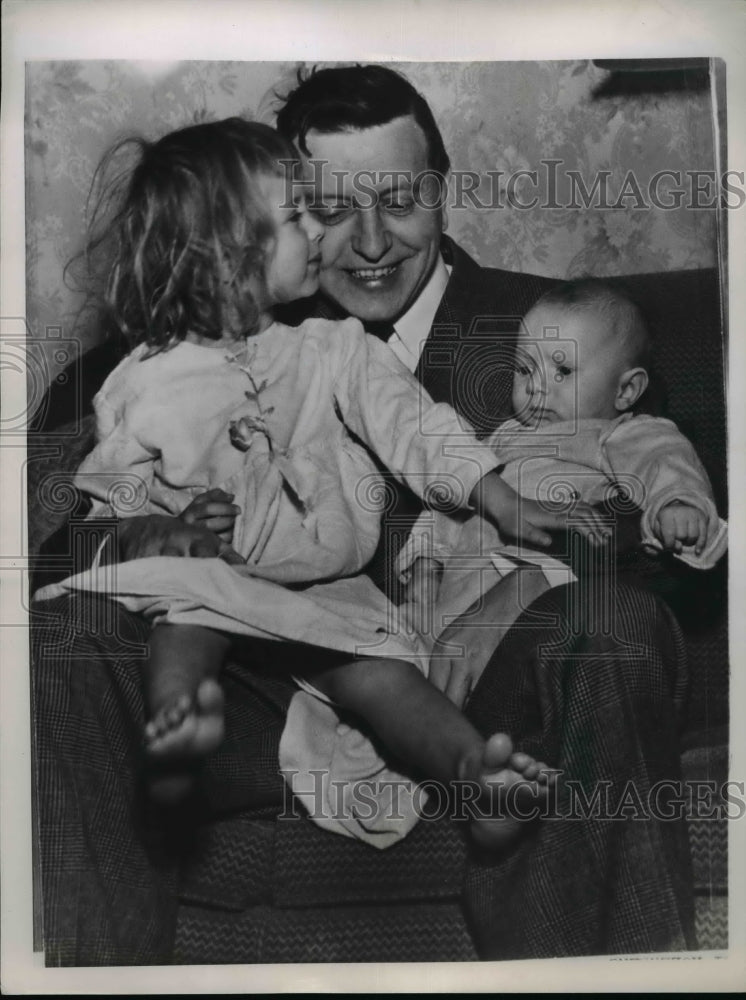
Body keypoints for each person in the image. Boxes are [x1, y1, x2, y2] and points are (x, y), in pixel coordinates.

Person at [30, 64, 698, 963]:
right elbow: (75, 531)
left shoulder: (560, 332)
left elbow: (663, 492)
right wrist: (162, 525)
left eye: (398, 200)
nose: (371, 240)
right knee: (72, 637)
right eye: (332, 209)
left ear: (443, 192)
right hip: (237, 704)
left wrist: (533, 515)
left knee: (613, 625)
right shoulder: (142, 362)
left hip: (461, 668)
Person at [37, 117, 583, 842]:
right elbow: (110, 500)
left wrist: (495, 493)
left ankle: (471, 779)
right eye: (297, 218)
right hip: (211, 575)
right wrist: (159, 529)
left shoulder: (333, 350)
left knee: (386, 673)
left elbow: (414, 426)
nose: (322, 235)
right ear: (227, 258)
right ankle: (179, 734)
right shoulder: (139, 385)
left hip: (323, 583)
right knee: (187, 621)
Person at [398, 279, 727, 666]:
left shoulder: (618, 434)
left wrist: (676, 503)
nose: (536, 388)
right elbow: (454, 498)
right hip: (448, 616)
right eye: (524, 369)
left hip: (536, 617)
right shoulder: (500, 439)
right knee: (384, 656)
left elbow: (665, 460)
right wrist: (425, 564)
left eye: (563, 370)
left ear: (626, 391)